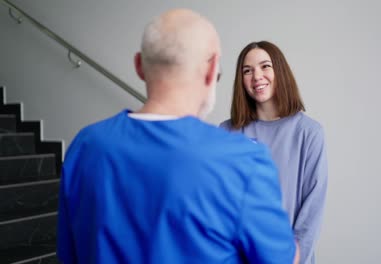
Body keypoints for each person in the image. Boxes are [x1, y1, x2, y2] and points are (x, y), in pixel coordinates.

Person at [57, 10, 300, 264]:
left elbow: (68, 255)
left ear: (139, 66)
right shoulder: (243, 160)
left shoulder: (84, 147)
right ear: (211, 70)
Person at [220, 41, 328, 264]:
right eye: (247, 71)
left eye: (265, 66)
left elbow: (311, 214)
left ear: (280, 70)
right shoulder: (227, 132)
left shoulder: (309, 133)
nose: (256, 76)